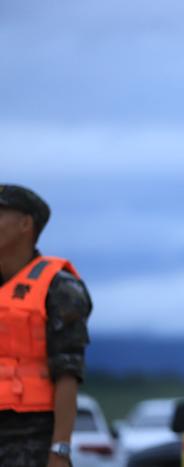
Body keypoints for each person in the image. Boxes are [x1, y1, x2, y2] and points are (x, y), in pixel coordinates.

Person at [0, 185, 92, 467]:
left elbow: (67, 374)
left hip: (31, 442)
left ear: (25, 224)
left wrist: (59, 451)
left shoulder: (60, 288)